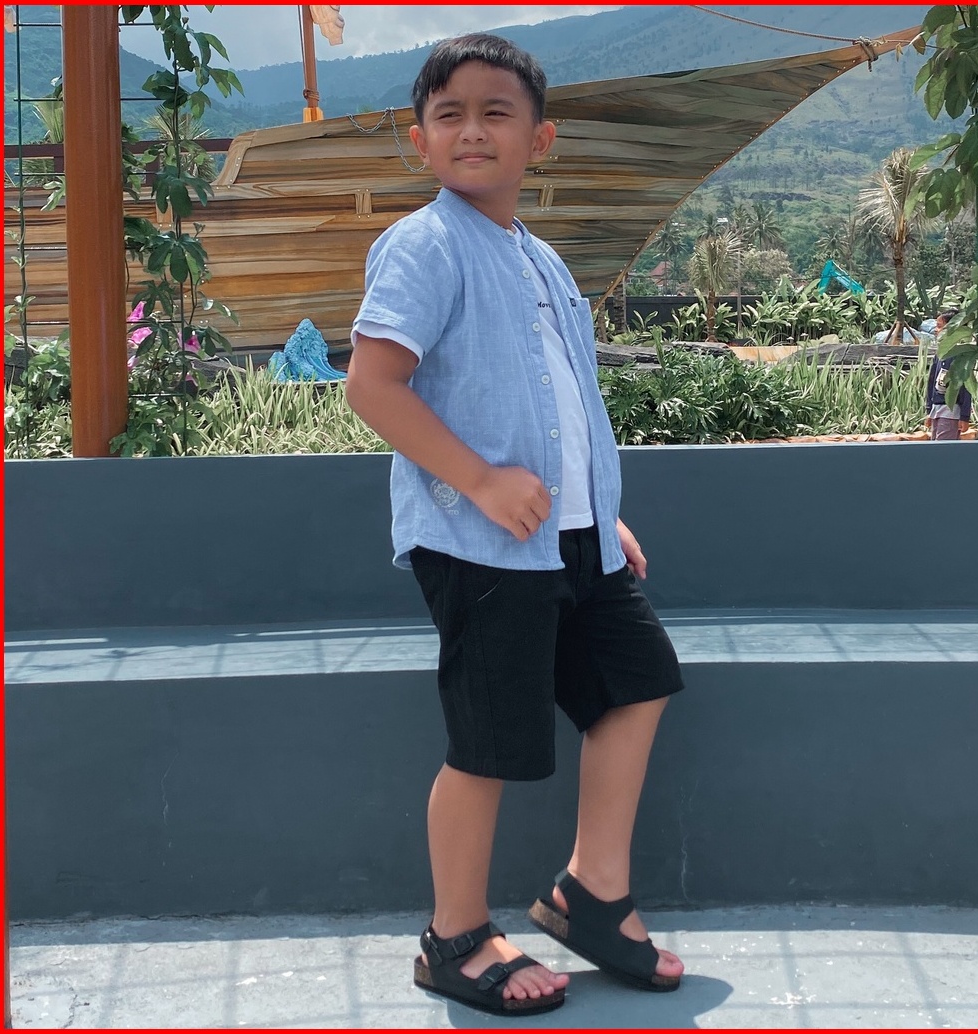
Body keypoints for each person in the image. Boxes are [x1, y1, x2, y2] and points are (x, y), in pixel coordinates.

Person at [344, 33, 685, 1017]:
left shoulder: (538, 257)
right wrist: (482, 481)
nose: (472, 130)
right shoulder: (425, 245)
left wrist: (598, 514)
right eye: (448, 114)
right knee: (488, 741)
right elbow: (373, 385)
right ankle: (453, 936)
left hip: (570, 535)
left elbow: (562, 401)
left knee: (637, 682)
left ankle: (590, 892)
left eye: (496, 112)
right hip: (481, 541)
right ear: (419, 140)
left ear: (539, 140)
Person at [925, 309, 972, 440]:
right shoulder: (940, 354)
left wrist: (964, 416)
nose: (936, 330)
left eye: (939, 326)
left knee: (942, 449)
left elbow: (966, 387)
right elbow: (931, 382)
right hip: (937, 409)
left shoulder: (960, 355)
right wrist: (929, 410)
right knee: (935, 446)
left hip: (950, 411)